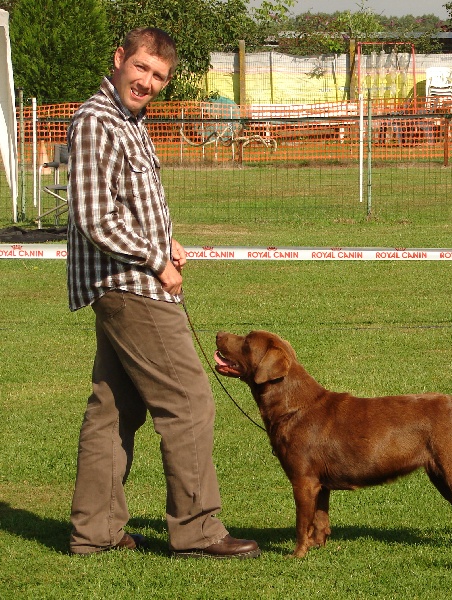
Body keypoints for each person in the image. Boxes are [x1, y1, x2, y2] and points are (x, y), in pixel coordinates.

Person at [67, 27, 260, 559]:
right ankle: (198, 531)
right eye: (141, 68)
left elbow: (127, 203)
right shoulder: (97, 121)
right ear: (119, 58)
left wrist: (165, 240)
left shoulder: (132, 122)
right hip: (131, 287)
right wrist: (155, 259)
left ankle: (96, 532)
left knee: (113, 410)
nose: (148, 82)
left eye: (159, 76)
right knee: (190, 401)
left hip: (132, 280)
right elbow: (93, 217)